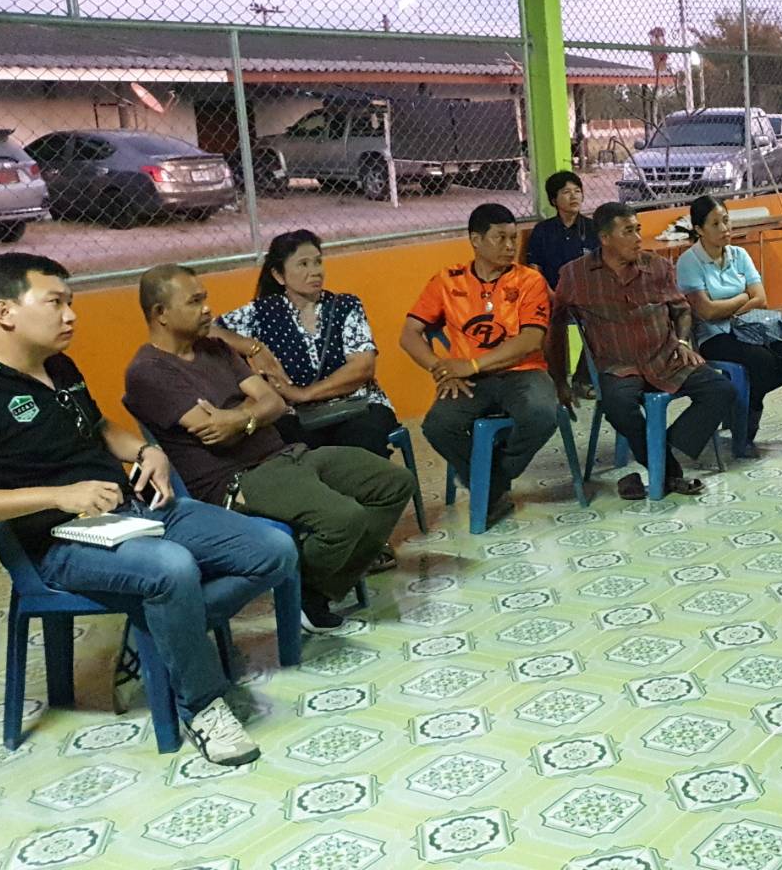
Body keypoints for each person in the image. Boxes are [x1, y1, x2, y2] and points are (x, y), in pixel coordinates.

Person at [0, 254, 295, 765]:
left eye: (70, 302)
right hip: (62, 541)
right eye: (55, 302)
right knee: (172, 567)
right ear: (5, 312)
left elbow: (100, 428)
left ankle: (165, 628)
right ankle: (203, 704)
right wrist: (58, 497)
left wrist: (147, 451)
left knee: (274, 548)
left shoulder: (59, 366)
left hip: (136, 510)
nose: (71, 315)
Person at [125, 265, 416, 633]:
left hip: (286, 454)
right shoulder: (149, 371)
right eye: (195, 301)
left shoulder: (216, 349)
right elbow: (216, 432)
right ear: (161, 313)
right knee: (345, 518)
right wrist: (252, 412)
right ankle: (307, 597)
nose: (207, 309)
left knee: (394, 483)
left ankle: (310, 590)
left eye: (205, 298)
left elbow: (275, 403)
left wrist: (241, 418)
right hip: (236, 479)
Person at [551, 202, 736, 499]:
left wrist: (683, 342)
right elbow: (555, 326)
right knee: (617, 404)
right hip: (617, 365)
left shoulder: (657, 266)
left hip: (666, 357)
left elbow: (682, 310)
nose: (638, 238)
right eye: (628, 232)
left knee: (721, 390)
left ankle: (661, 455)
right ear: (605, 238)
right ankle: (670, 471)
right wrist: (560, 380)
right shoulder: (576, 276)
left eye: (638, 229)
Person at [400, 203, 558, 517]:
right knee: (438, 426)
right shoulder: (448, 281)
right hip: (469, 382)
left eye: (513, 238)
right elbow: (409, 335)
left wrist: (472, 365)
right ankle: (493, 488)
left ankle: (490, 483)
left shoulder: (529, 281)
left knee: (541, 415)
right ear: (476, 240)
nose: (510, 246)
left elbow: (530, 340)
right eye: (500, 238)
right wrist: (441, 369)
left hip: (523, 372)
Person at [214, 230, 397, 456]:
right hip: (296, 415)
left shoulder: (345, 306)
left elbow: (362, 367)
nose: (315, 271)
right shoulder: (262, 313)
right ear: (279, 275)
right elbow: (205, 330)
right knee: (294, 449)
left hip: (357, 405)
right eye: (303, 264)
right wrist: (254, 348)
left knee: (361, 441)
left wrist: (304, 394)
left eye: (318, 262)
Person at [675, 194, 782, 453]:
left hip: (750, 329)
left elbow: (761, 299)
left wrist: (730, 308)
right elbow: (707, 312)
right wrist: (744, 297)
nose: (725, 228)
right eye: (715, 224)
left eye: (726, 220)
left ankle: (740, 404)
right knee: (762, 362)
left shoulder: (739, 254)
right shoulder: (689, 262)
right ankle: (744, 431)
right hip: (713, 336)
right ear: (699, 229)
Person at [524, 171, 597, 400]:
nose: (574, 196)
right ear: (553, 200)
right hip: (550, 296)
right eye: (566, 192)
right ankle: (559, 383)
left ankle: (583, 380)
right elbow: (534, 271)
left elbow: (600, 267)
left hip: (585, 297)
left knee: (605, 319)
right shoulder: (542, 231)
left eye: (577, 191)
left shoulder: (592, 228)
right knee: (550, 324)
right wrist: (552, 295)